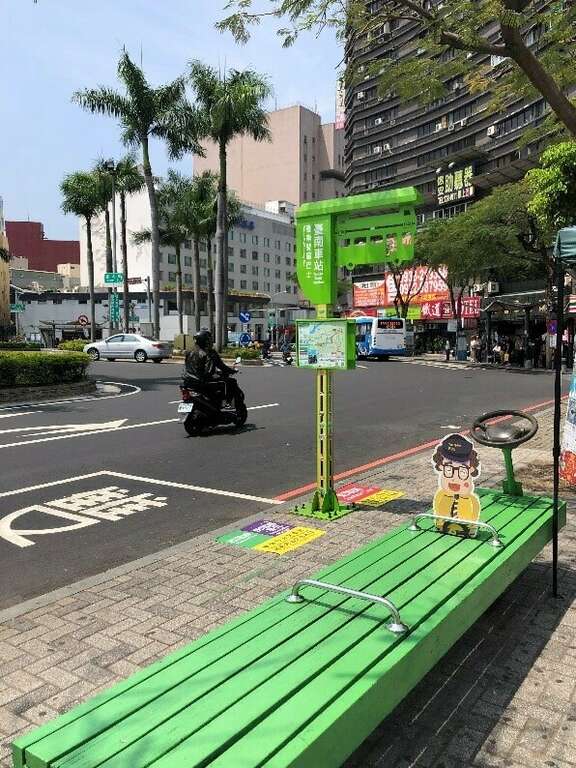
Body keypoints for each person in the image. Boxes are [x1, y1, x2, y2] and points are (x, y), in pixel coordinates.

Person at [184, 330, 242, 410]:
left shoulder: (189, 351)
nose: (211, 341)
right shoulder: (208, 352)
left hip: (188, 380)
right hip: (202, 381)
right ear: (206, 341)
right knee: (231, 382)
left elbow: (190, 365)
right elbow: (218, 367)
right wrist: (231, 371)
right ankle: (228, 403)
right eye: (209, 339)